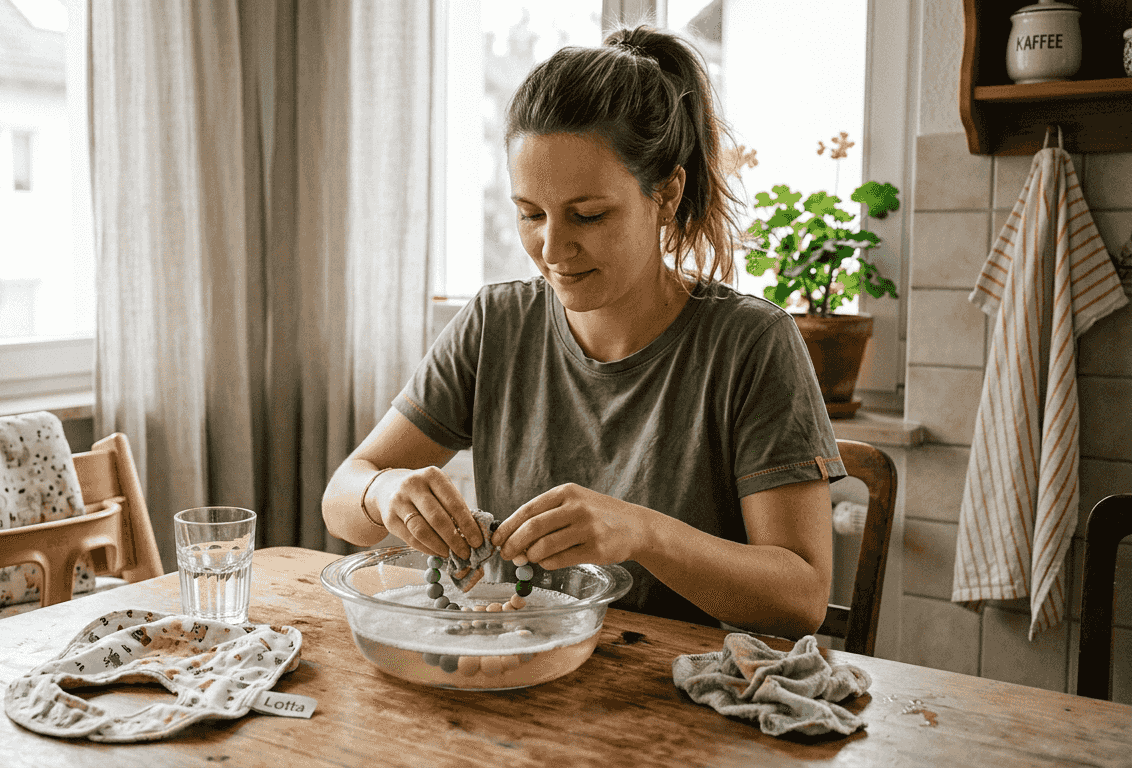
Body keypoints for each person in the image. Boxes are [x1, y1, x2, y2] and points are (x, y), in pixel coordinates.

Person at [321, 25, 845, 640]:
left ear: (667, 192)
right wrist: (386, 493)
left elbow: (802, 598)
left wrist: (642, 532)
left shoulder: (752, 344)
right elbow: (341, 499)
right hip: (526, 671)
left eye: (588, 215)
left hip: (688, 696)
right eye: (529, 214)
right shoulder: (496, 324)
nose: (552, 248)